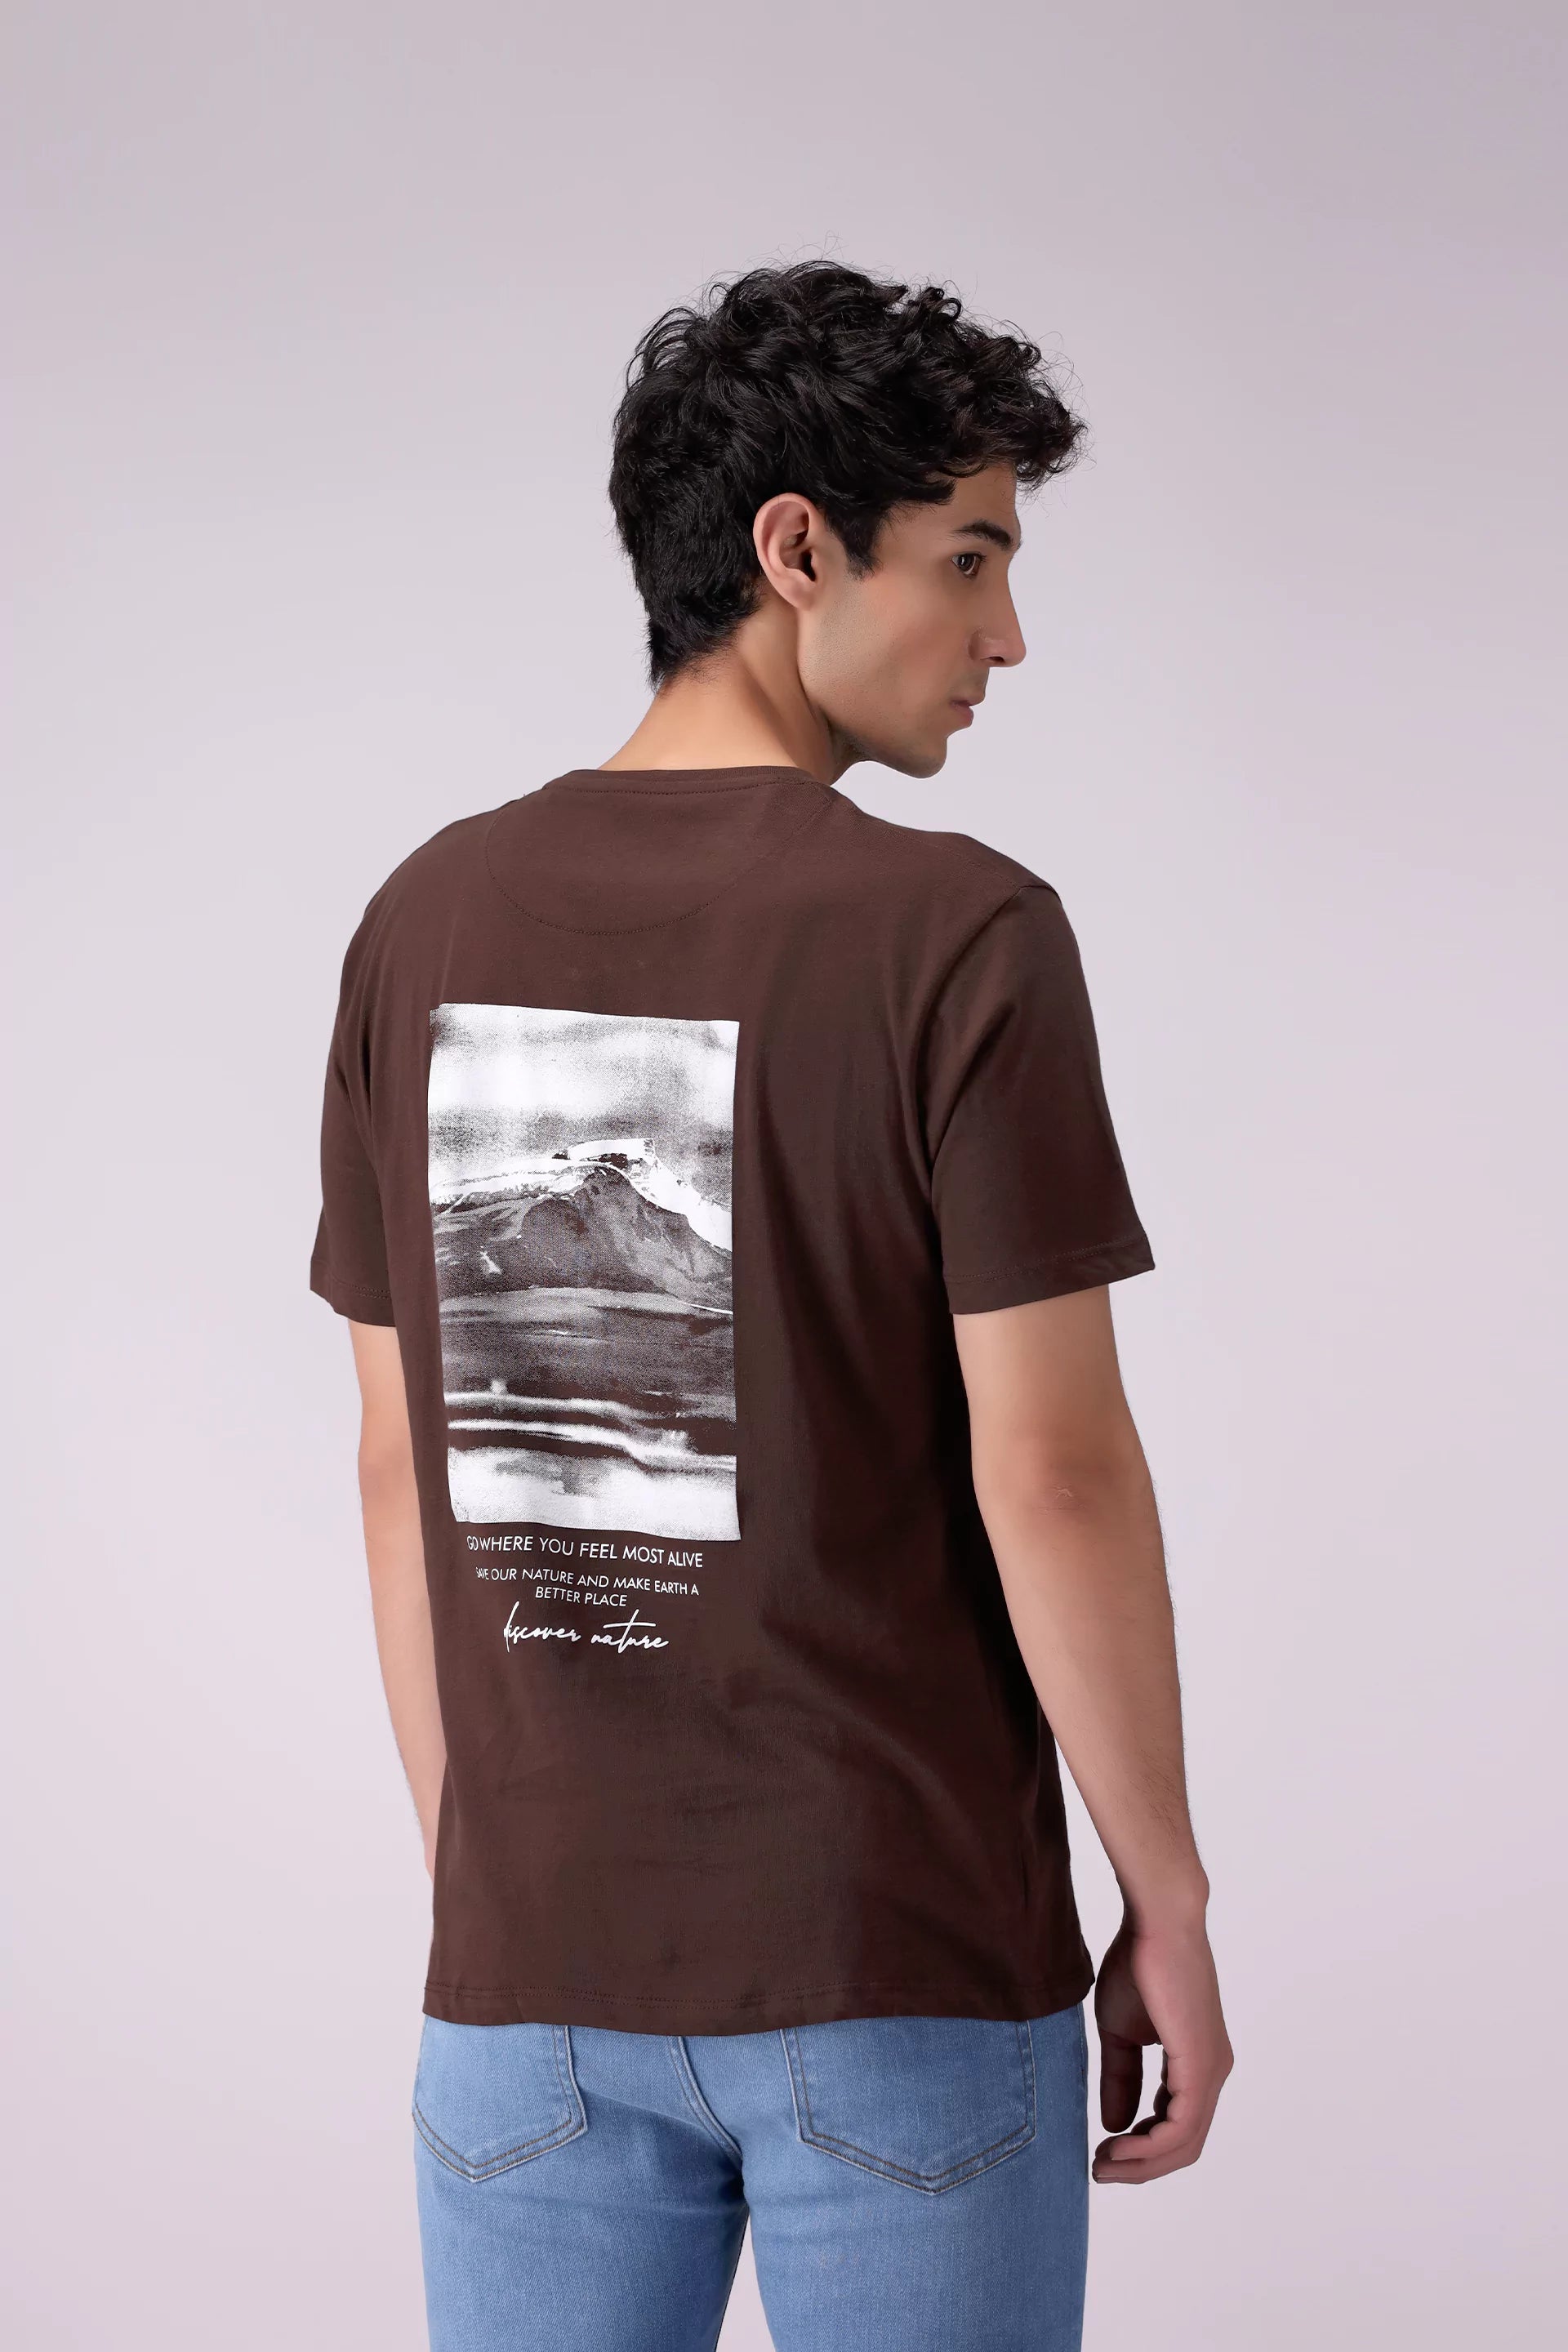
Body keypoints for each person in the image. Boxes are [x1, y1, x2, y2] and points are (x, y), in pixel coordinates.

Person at [310, 261, 1232, 2352]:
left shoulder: (419, 918)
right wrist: (1166, 1897)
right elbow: (1056, 1471)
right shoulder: (959, 934)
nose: (1008, 635)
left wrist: (505, 1885)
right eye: (971, 558)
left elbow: (395, 1467)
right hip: (894, 1966)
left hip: (521, 1995)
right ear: (795, 550)